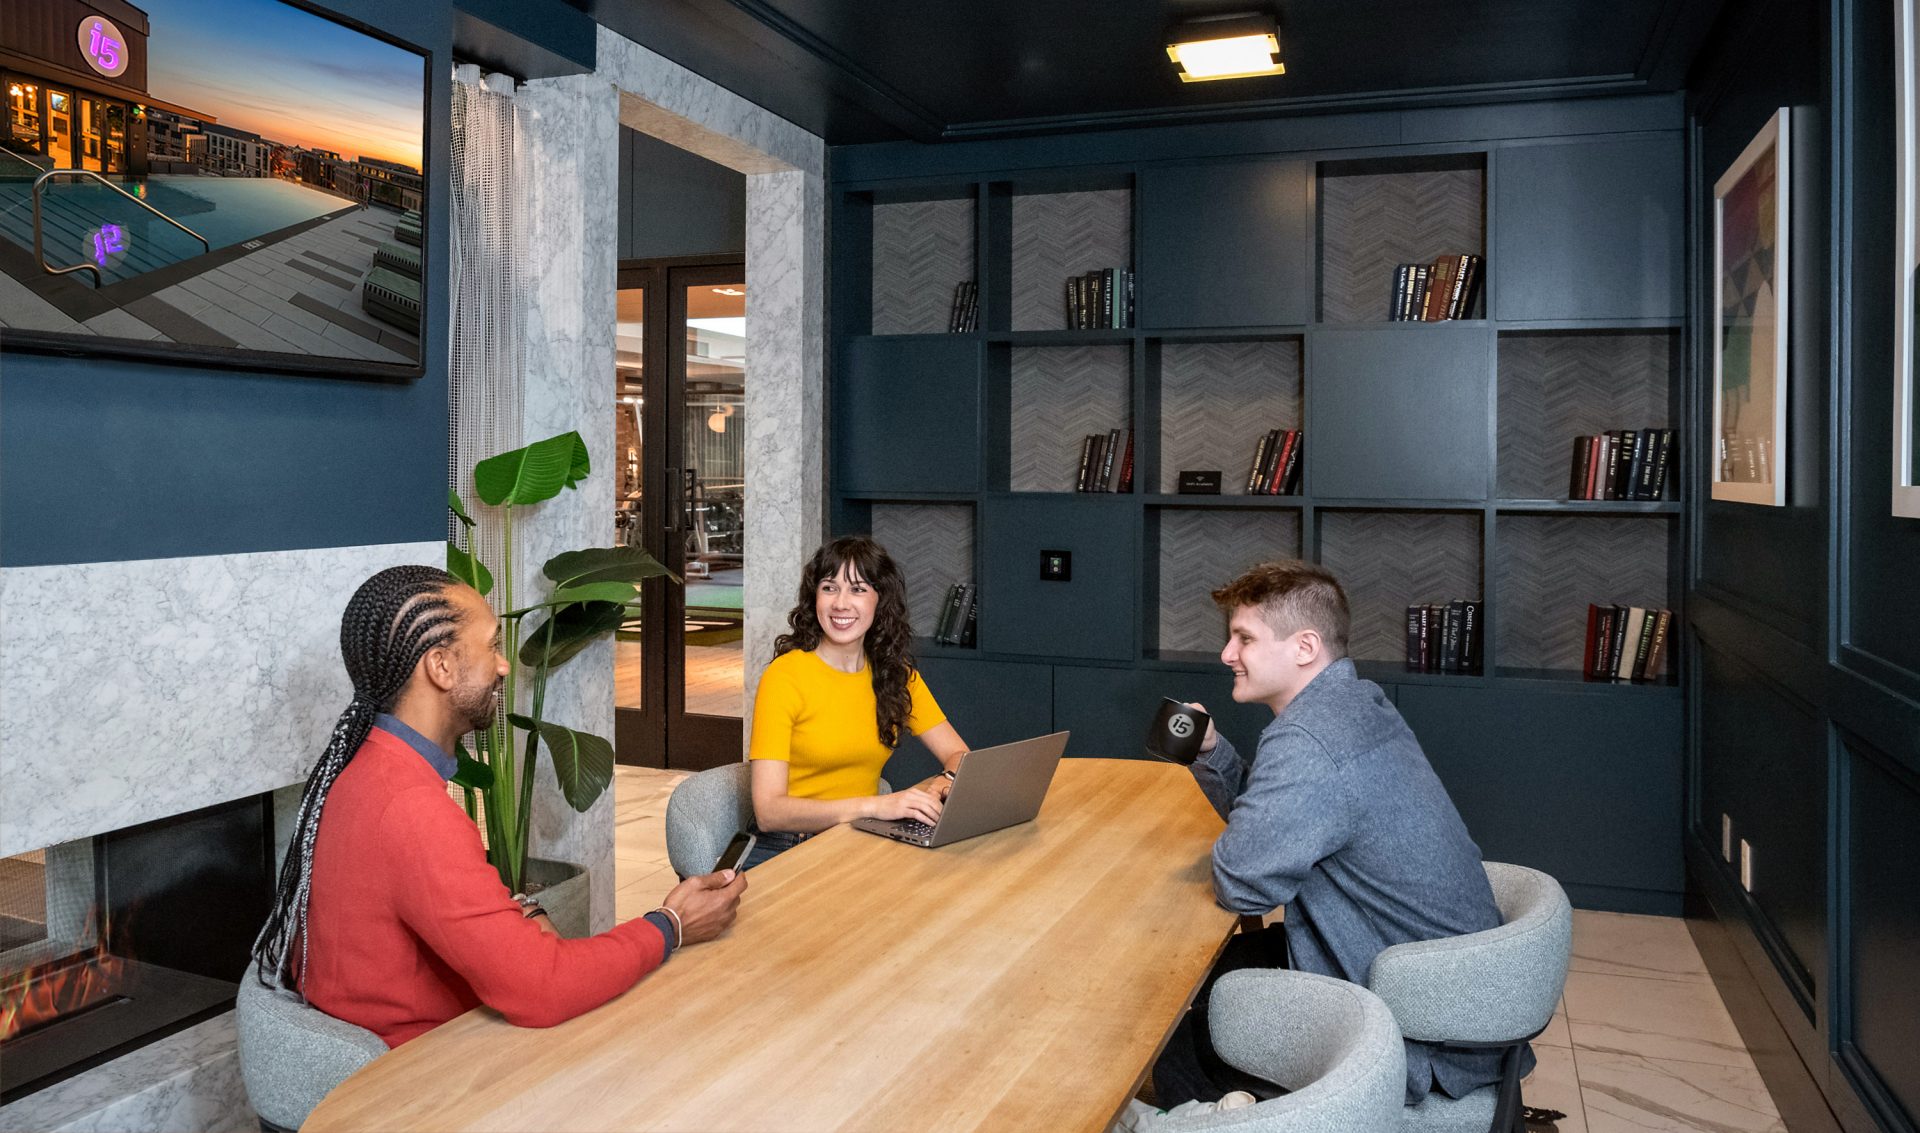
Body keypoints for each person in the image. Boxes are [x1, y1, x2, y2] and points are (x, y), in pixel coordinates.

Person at [250, 564, 746, 1047]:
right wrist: (670, 925)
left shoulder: (368, 768)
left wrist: (519, 914)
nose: (504, 665)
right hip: (423, 1078)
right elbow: (543, 990)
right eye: (491, 647)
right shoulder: (411, 809)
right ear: (441, 667)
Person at [1153, 559, 1521, 1108]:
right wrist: (1213, 753)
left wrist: (1238, 840)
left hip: (1418, 1030)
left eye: (1243, 638)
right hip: (1456, 996)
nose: (1227, 655)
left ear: (1304, 647)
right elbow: (1293, 822)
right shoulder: (1355, 703)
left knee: (1171, 1048)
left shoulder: (1307, 739)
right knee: (1208, 979)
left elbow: (1242, 885)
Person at [745, 536, 971, 869]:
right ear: (814, 597)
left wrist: (944, 782)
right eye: (829, 588)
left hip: (855, 840)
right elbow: (769, 812)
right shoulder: (785, 676)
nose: (841, 604)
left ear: (881, 601)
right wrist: (876, 807)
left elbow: (960, 754)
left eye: (858, 589)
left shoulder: (896, 675)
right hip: (787, 848)